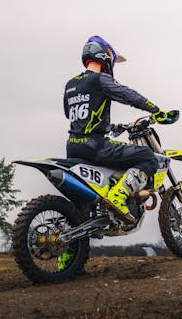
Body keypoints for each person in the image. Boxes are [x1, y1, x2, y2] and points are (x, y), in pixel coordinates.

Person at [63, 35, 168, 224]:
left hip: (73, 146)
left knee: (80, 211)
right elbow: (128, 95)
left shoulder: (70, 84)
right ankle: (118, 196)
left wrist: (108, 125)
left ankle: (70, 251)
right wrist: (155, 109)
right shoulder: (100, 79)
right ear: (105, 56)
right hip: (96, 145)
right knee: (147, 157)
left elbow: (70, 114)